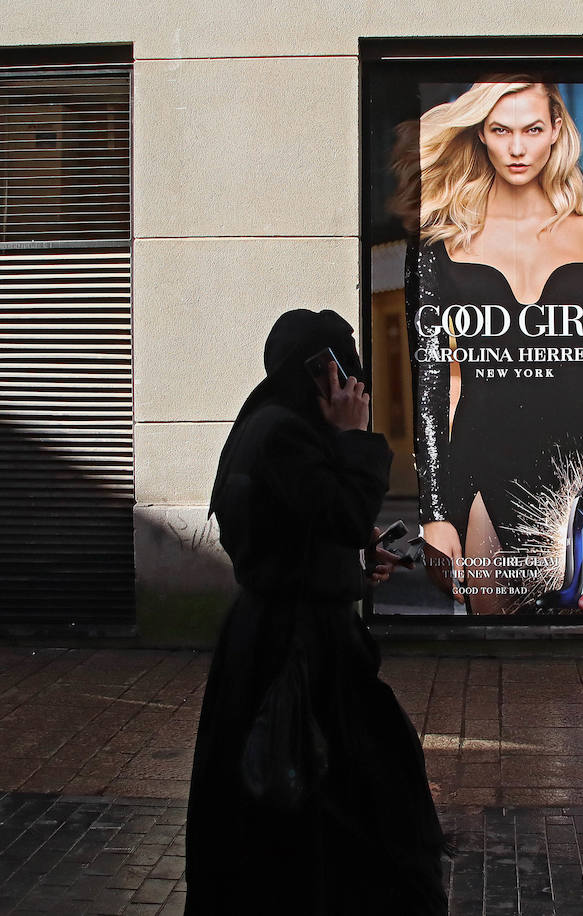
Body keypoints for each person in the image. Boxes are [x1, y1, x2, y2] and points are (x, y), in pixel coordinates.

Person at [185, 309, 446, 913]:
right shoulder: (285, 434)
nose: (354, 382)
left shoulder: (268, 425)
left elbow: (295, 536)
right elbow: (343, 514)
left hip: (278, 642)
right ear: (320, 371)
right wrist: (355, 437)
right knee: (346, 804)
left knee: (307, 809)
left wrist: (354, 567)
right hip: (300, 656)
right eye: (342, 368)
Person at [398, 77, 583, 614]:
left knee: (582, 653)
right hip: (484, 465)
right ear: (481, 134)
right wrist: (434, 510)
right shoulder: (440, 247)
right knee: (492, 650)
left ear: (555, 134)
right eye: (501, 130)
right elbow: (428, 386)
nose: (517, 148)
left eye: (532, 129)